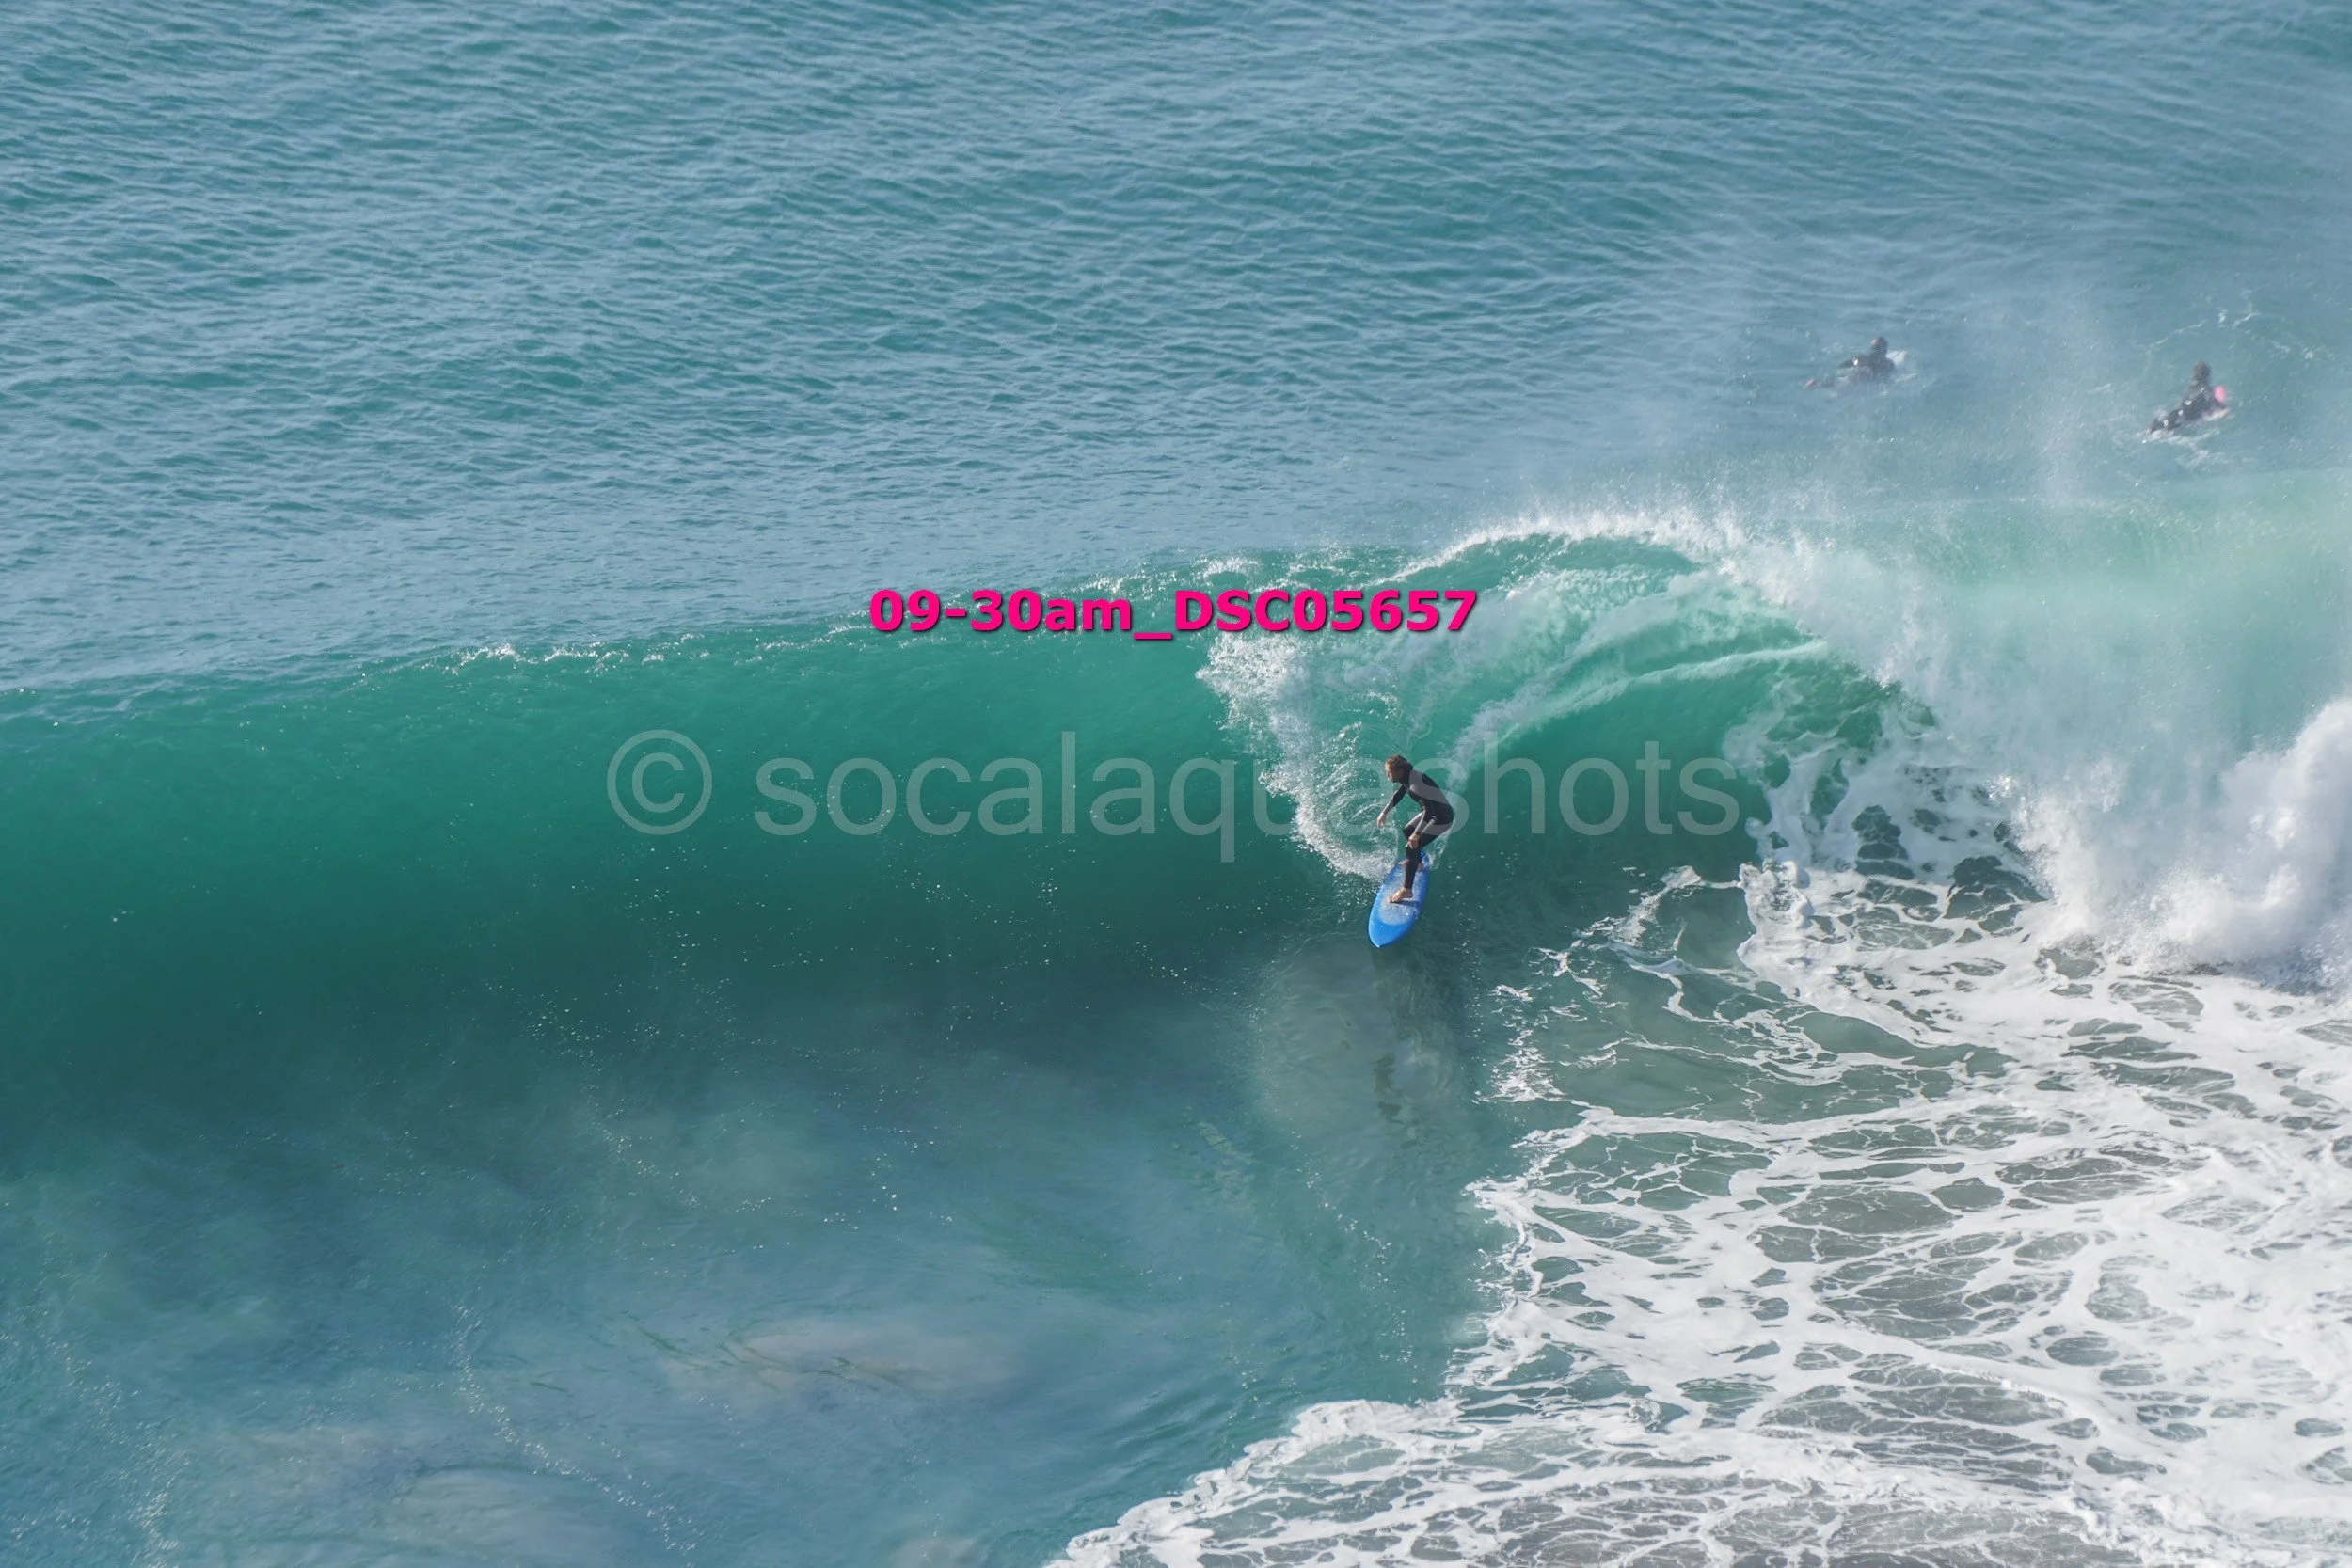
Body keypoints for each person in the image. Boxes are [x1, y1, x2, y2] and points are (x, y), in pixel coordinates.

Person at [1375, 754, 1454, 903]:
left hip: (1442, 818)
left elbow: (1429, 811)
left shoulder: (1416, 785)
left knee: (1410, 846)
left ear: (1399, 771)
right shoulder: (1408, 778)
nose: (1387, 775)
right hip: (1434, 813)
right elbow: (1400, 793)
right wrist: (1384, 812)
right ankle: (1417, 863)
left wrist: (1417, 834)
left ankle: (1407, 890)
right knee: (1407, 830)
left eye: (1389, 772)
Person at [2150, 362, 2226, 433]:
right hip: (2190, 415)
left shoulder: (2191, 387)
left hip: (2178, 412)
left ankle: (2157, 425)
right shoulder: (2206, 389)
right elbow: (2212, 400)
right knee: (2178, 426)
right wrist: (2223, 408)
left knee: (2169, 422)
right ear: (2208, 376)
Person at [1807, 336, 1897, 388]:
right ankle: (1817, 384)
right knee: (1843, 384)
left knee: (1839, 382)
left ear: (1872, 349)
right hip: (1864, 379)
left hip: (1856, 374)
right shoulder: (1889, 364)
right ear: (1885, 350)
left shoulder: (1861, 358)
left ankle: (1817, 383)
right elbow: (1889, 379)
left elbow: (1843, 365)